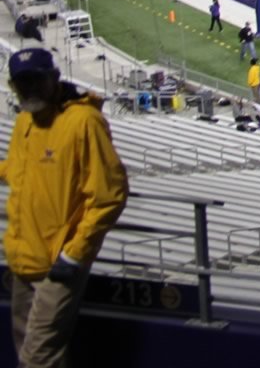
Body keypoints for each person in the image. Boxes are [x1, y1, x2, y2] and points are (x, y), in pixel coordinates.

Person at [4, 47, 129, 367]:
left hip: (58, 263)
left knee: (36, 358)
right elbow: (19, 170)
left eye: (36, 80)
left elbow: (109, 194)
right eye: (22, 83)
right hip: (22, 258)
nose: (29, 88)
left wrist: (74, 253)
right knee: (32, 351)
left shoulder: (84, 122)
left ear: (55, 78)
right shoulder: (25, 121)